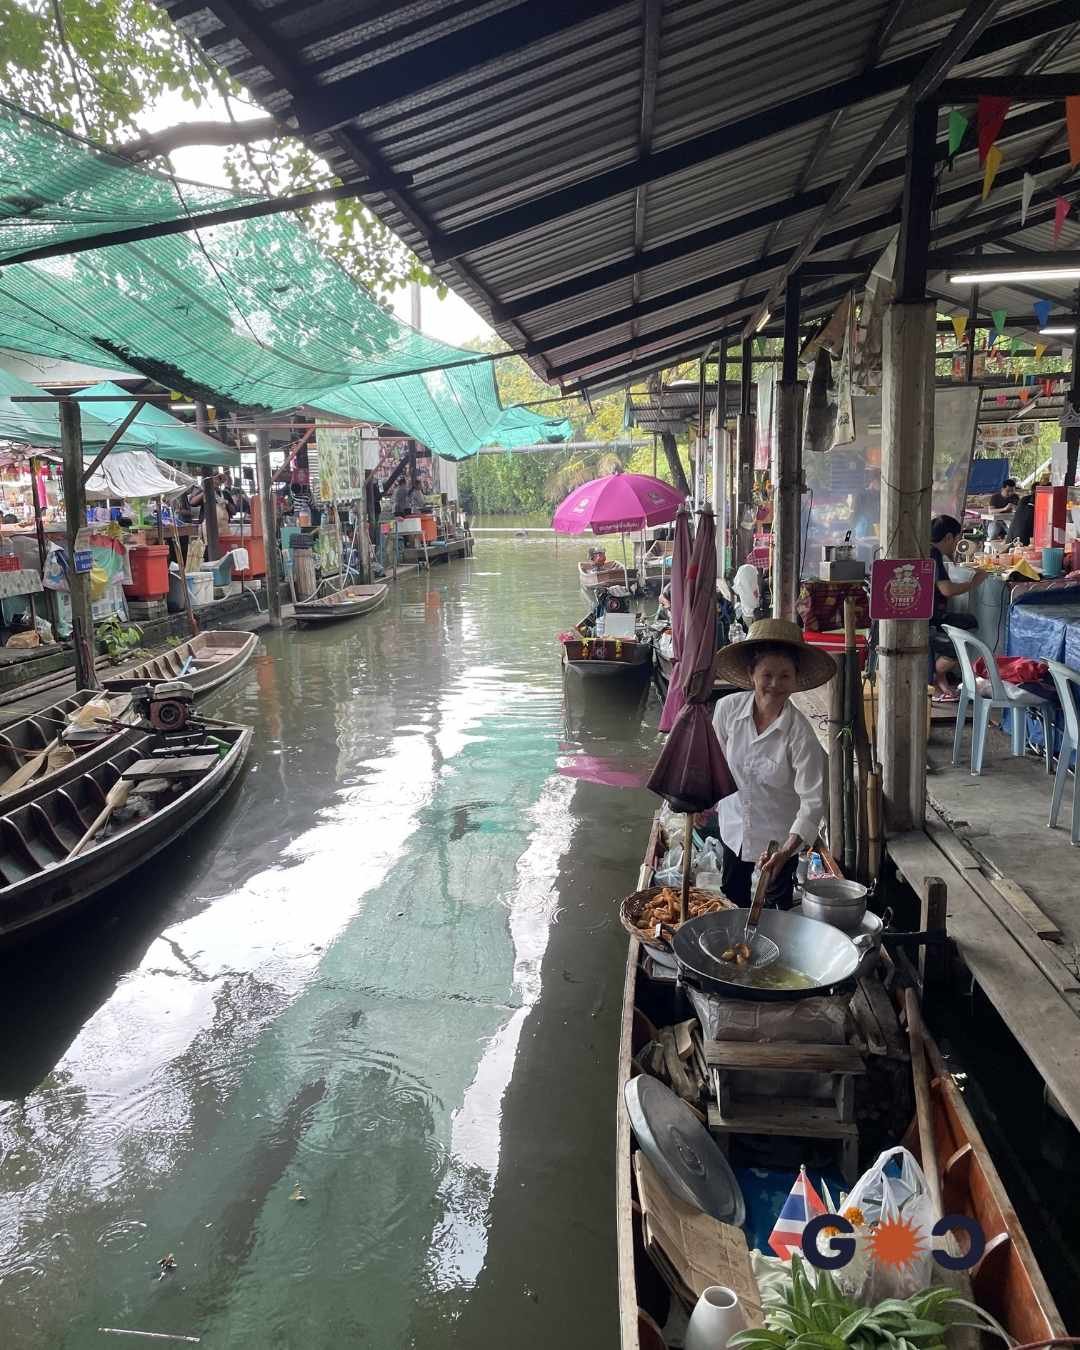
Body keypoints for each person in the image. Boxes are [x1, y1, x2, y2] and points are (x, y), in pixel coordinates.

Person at [710, 619, 834, 910]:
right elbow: (713, 766)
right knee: (732, 895)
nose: (775, 684)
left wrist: (789, 849)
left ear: (795, 679)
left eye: (785, 676)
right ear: (751, 674)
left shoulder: (801, 734)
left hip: (779, 840)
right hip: (734, 826)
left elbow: (813, 802)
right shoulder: (726, 711)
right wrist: (702, 801)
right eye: (767, 674)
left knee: (776, 903)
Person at [928, 513, 985, 702]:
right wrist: (974, 583)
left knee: (969, 622)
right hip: (931, 618)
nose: (957, 544)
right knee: (960, 644)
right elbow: (946, 589)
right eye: (957, 539)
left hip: (933, 614)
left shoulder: (932, 551)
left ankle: (939, 676)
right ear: (948, 537)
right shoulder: (933, 554)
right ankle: (934, 675)